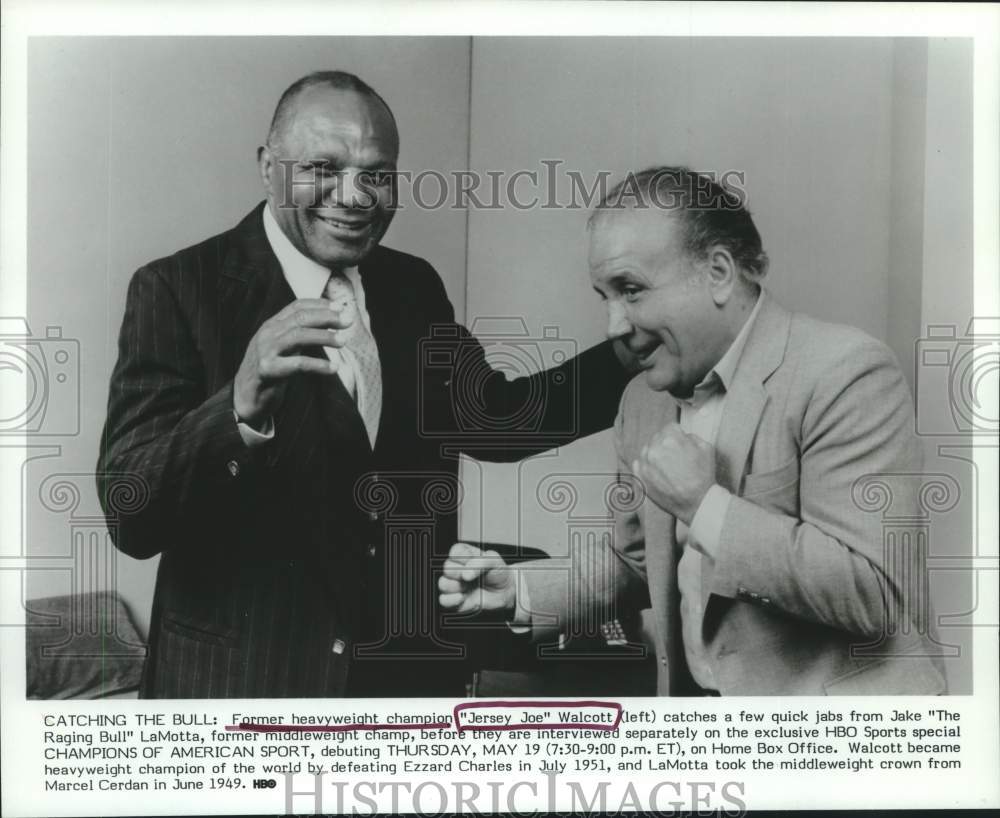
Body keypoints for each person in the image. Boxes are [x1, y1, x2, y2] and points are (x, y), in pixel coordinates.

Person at [96, 71, 630, 698]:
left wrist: (640, 344)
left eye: (377, 174)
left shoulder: (413, 286)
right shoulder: (175, 288)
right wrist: (238, 408)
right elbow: (131, 515)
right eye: (323, 167)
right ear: (268, 167)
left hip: (402, 678)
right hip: (242, 687)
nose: (354, 196)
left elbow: (500, 421)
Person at [440, 167, 947, 695]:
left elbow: (873, 592)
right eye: (605, 297)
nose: (614, 325)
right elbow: (638, 562)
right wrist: (519, 589)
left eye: (631, 290)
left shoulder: (847, 372)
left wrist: (705, 505)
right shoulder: (642, 400)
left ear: (719, 273)